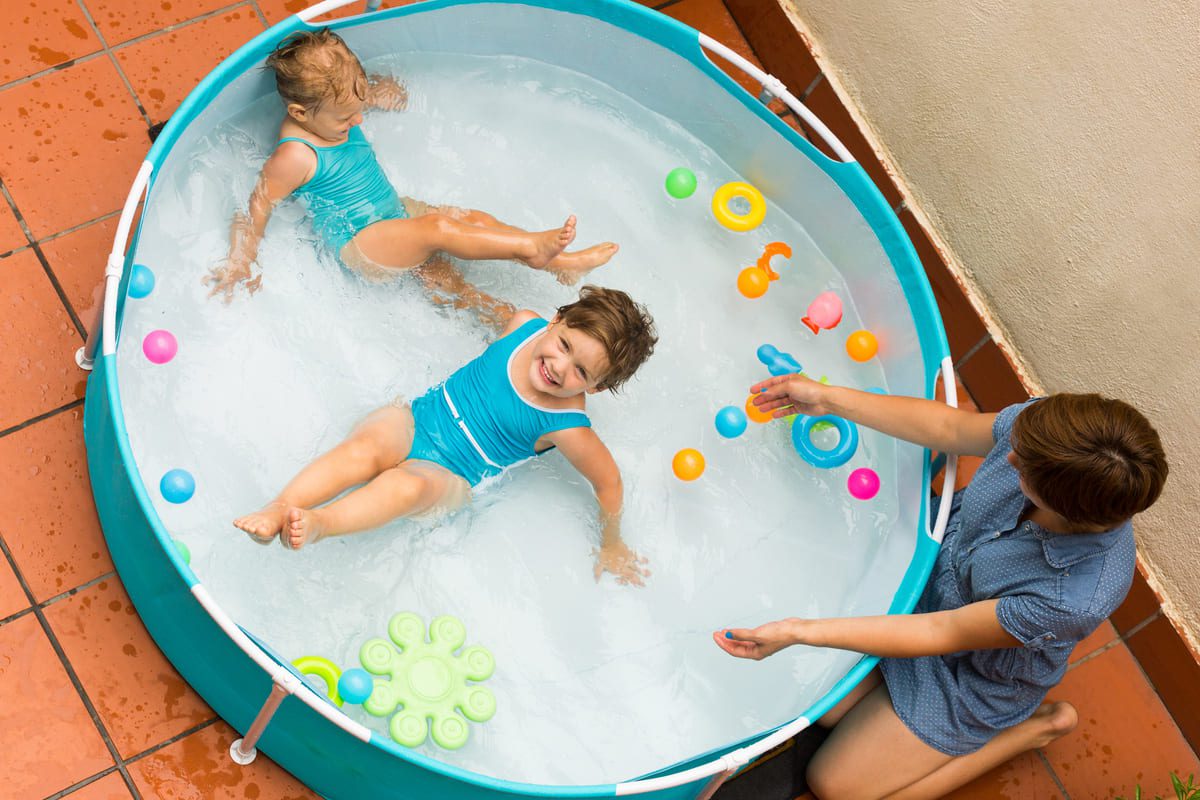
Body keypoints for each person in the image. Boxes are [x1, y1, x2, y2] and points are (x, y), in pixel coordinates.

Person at [713, 375, 1168, 800]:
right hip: (935, 573)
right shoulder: (1051, 433)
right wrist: (827, 397)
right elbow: (952, 428)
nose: (1007, 455)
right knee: (824, 703)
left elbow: (940, 633)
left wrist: (799, 631)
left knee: (834, 784)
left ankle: (1033, 728)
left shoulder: (1072, 597)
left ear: (1059, 506)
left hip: (971, 671)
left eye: (1022, 468)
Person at [233, 285, 658, 586]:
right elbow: (486, 315)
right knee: (368, 445)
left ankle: (321, 523)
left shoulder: (566, 426)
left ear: (596, 388)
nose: (560, 368)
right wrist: (449, 287)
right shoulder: (524, 325)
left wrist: (612, 542)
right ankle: (280, 507)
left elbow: (609, 482)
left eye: (581, 372)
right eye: (565, 346)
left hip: (451, 471)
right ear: (556, 320)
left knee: (406, 486)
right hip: (421, 419)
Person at [204, 28, 618, 303]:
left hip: (392, 216)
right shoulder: (295, 155)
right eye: (347, 118)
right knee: (438, 230)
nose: (358, 121)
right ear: (300, 111)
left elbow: (380, 98)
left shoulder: (332, 107)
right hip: (361, 243)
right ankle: (533, 250)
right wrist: (242, 258)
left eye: (358, 105)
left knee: (466, 227)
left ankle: (546, 278)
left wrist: (379, 92)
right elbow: (259, 204)